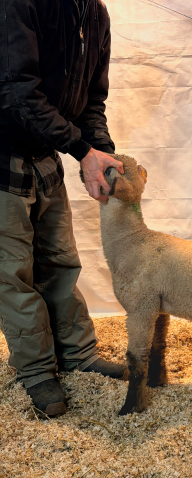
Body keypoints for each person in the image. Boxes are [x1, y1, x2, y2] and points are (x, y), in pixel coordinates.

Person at [0, 0, 128, 416]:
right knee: (13, 273)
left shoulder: (96, 13)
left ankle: (78, 354)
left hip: (45, 153)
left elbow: (92, 102)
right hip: (4, 155)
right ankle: (37, 370)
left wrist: (101, 154)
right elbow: (17, 91)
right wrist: (81, 150)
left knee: (61, 261)